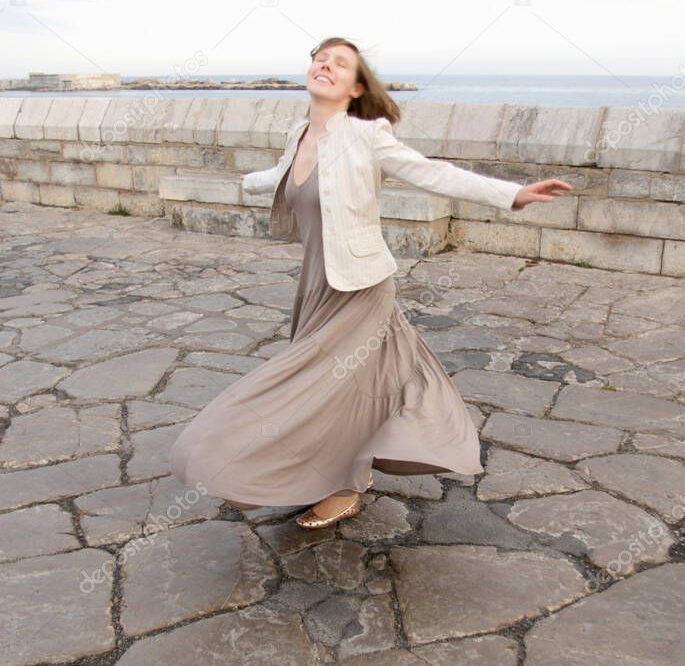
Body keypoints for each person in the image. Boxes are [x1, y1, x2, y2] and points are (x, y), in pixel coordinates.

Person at [169, 36, 573, 528]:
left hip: (359, 286)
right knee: (343, 389)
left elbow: (432, 174)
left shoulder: (365, 135)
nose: (326, 65)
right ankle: (343, 470)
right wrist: (245, 182)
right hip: (317, 282)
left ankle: (343, 485)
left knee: (317, 387)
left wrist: (512, 194)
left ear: (356, 87)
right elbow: (283, 174)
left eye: (340, 63)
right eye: (321, 58)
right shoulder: (300, 133)